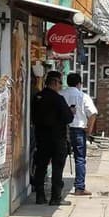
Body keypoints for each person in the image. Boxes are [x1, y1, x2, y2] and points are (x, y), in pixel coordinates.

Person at [32, 70, 74, 205]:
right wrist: (71, 111)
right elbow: (68, 118)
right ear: (55, 82)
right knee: (57, 168)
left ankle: (40, 196)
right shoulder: (58, 99)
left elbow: (33, 116)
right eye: (60, 83)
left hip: (41, 137)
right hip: (57, 138)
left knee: (41, 166)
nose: (61, 86)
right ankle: (55, 198)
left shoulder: (37, 97)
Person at [61, 73, 98, 196]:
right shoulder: (83, 96)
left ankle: (57, 185)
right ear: (79, 84)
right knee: (80, 159)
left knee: (59, 158)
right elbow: (93, 114)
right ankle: (79, 187)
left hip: (62, 129)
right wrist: (89, 129)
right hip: (78, 130)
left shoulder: (61, 94)